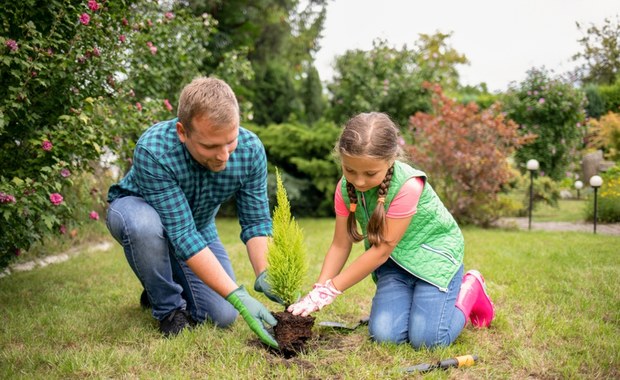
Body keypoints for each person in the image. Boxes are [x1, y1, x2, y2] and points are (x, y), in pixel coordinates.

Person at [288, 112, 495, 349]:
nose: (359, 181)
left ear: (391, 159)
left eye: (370, 173)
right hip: (397, 266)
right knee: (385, 337)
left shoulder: (408, 186)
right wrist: (319, 289)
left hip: (433, 260)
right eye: (350, 170)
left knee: (429, 341)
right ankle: (418, 303)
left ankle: (471, 288)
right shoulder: (345, 189)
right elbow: (340, 244)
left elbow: (381, 251)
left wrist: (332, 290)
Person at [106, 77, 280, 348]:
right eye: (210, 146)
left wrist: (265, 272)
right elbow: (182, 234)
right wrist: (238, 294)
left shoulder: (250, 151)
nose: (224, 155)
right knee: (144, 225)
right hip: (137, 211)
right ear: (182, 132)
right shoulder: (154, 150)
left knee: (222, 316)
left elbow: (256, 221)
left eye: (230, 141)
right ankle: (169, 310)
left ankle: (155, 286)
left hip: (198, 225)